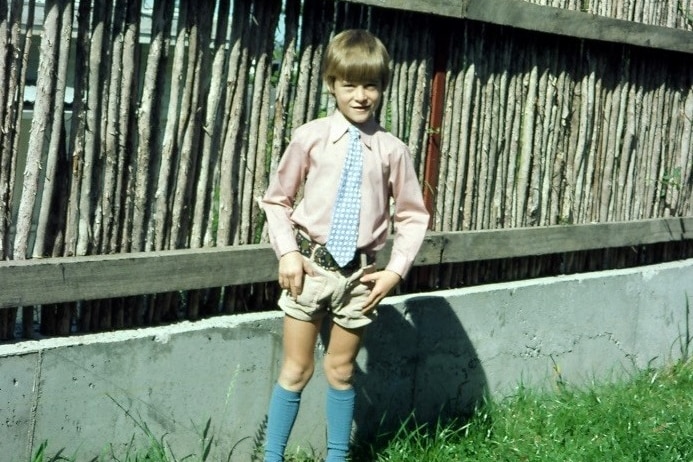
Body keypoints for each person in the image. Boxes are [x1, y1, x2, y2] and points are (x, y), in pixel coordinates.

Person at [260, 29, 429, 462]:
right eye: (349, 84)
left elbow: (412, 215)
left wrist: (394, 271)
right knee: (296, 369)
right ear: (330, 84)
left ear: (382, 87)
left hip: (359, 277)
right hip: (309, 271)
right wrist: (288, 253)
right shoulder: (310, 137)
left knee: (340, 370)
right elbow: (277, 199)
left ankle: (338, 457)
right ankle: (271, 457)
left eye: (370, 85)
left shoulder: (393, 151)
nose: (360, 96)